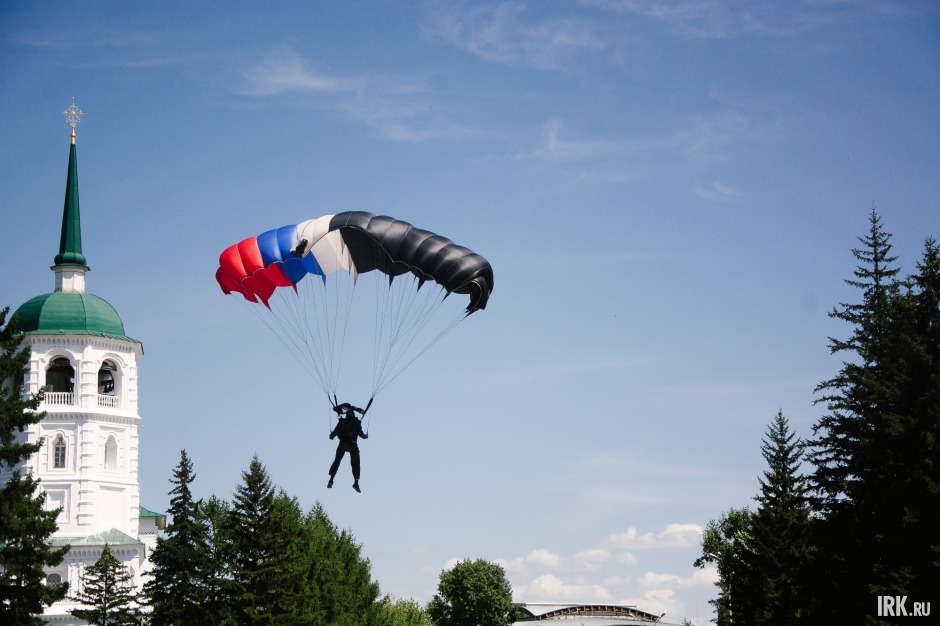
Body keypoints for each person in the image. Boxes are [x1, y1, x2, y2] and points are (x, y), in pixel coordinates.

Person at [327, 403, 369, 492]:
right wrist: (365, 436)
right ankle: (356, 483)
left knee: (337, 461)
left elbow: (332, 436)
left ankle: (331, 479)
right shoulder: (356, 422)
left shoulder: (341, 422)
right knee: (355, 463)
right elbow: (361, 435)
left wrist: (331, 435)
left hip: (342, 445)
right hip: (352, 446)